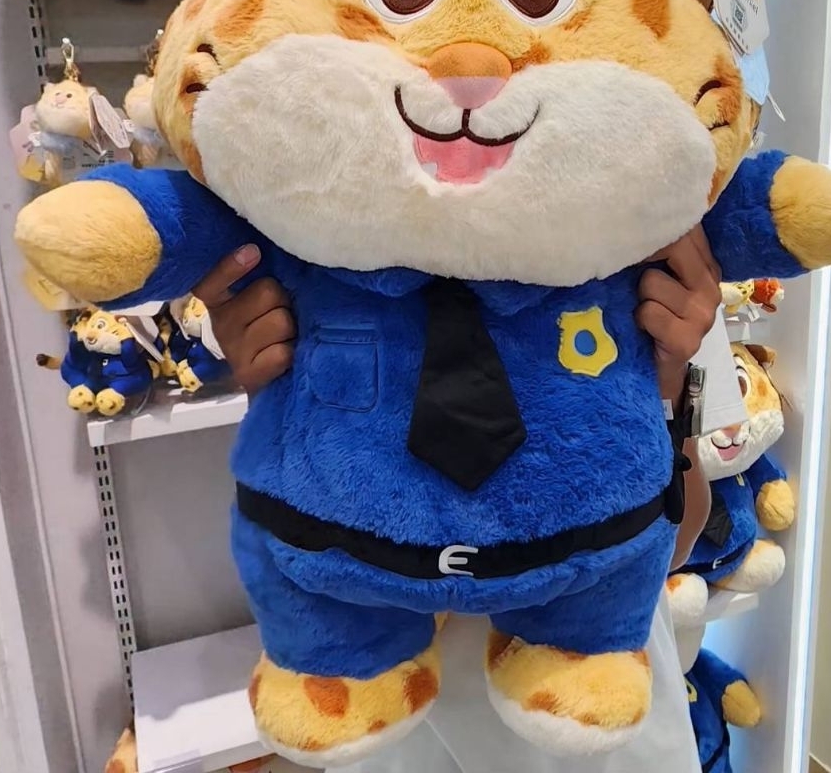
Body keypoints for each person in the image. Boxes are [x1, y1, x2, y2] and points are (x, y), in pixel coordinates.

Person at [195, 227, 741, 773]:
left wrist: (662, 388)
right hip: (395, 722)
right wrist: (277, 379)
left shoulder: (639, 228)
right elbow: (294, 527)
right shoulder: (307, 231)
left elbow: (680, 540)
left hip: (594, 693)